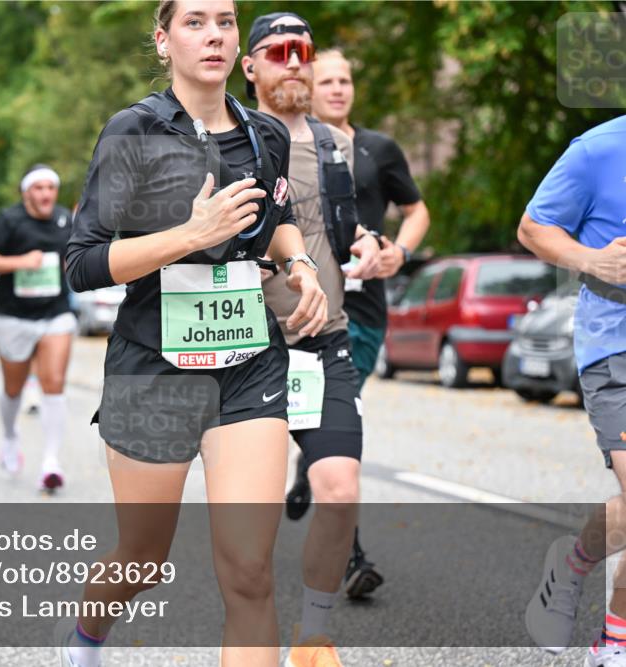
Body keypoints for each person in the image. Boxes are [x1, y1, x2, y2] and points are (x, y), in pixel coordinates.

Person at [61, 2, 328, 664]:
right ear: (163, 40)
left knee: (249, 571)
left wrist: (297, 264)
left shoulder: (264, 133)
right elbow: (82, 263)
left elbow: (276, 219)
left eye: (225, 21)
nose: (213, 34)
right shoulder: (134, 131)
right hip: (154, 369)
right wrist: (190, 234)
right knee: (143, 557)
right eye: (194, 22)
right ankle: (85, 640)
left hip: (249, 368)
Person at [242, 11, 384, 665]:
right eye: (280, 50)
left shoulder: (335, 142)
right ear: (251, 67)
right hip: (246, 349)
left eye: (305, 49)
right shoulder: (230, 139)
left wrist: (377, 250)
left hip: (324, 341)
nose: (297, 60)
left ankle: (313, 637)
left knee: (340, 489)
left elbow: (351, 229)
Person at [279, 47, 431, 600]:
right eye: (328, 80)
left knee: (340, 407)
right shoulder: (286, 145)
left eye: (346, 80)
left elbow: (416, 210)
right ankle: (353, 553)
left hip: (361, 313)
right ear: (305, 86)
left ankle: (314, 459)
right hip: (300, 307)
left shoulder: (376, 149)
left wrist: (400, 254)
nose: (339, 89)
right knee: (335, 421)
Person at [519, 116, 626, 667]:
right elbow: (533, 227)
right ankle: (614, 643)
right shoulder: (598, 150)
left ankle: (574, 563)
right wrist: (591, 259)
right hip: (617, 348)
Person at [0, 164, 76, 491]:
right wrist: (20, 262)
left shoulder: (64, 220)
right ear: (26, 192)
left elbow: (72, 258)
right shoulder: (9, 220)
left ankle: (51, 461)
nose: (46, 193)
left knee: (54, 382)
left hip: (55, 314)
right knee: (14, 389)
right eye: (38, 188)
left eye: (51, 187)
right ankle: (9, 437)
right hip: (14, 316)